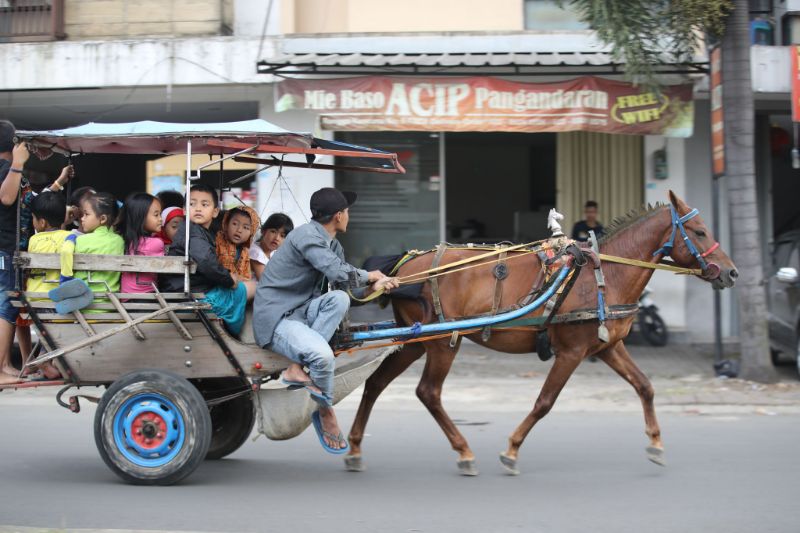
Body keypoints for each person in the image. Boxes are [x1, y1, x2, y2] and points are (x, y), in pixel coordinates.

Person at [253, 187, 399, 454]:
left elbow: (346, 290)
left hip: (303, 312)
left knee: (339, 301)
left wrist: (376, 287)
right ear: (339, 216)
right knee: (323, 358)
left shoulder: (333, 245)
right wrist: (371, 274)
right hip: (278, 317)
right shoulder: (306, 236)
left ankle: (297, 366)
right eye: (347, 211)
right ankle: (325, 411)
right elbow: (336, 271)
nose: (348, 216)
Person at [160, 184, 249, 336]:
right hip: (191, 295)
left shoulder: (198, 232)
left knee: (244, 285)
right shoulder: (192, 233)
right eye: (192, 204)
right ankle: (235, 335)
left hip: (191, 290)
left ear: (215, 212)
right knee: (247, 288)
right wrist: (229, 280)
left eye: (204, 204)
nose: (198, 208)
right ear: (185, 210)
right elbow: (206, 261)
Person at [0, 122, 38, 384]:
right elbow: (6, 197)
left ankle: (5, 364)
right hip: (5, 247)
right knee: (5, 305)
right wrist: (17, 163)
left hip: (12, 247)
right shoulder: (6, 168)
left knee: (9, 306)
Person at [24, 192, 72, 379]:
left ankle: (42, 359)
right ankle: (43, 359)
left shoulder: (33, 240)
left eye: (34, 219)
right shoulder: (69, 237)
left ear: (42, 223)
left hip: (35, 299)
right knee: (59, 329)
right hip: (56, 298)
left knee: (50, 330)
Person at [60, 192, 125, 303]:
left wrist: (70, 239)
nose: (82, 218)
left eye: (86, 214)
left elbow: (66, 252)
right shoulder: (120, 241)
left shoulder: (80, 241)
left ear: (102, 219)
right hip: (110, 302)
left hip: (84, 304)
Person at [118, 192, 164, 295]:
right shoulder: (156, 243)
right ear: (140, 217)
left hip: (125, 298)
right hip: (147, 297)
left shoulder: (123, 240)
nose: (160, 219)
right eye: (156, 215)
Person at [216, 206, 260, 283]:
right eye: (235, 224)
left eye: (246, 228)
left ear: (251, 233)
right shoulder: (217, 242)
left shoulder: (245, 251)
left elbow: (246, 276)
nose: (239, 230)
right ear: (226, 224)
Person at [250, 213, 294, 280]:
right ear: (263, 231)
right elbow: (265, 281)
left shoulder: (274, 253)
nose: (277, 238)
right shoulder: (256, 252)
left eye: (282, 236)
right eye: (273, 231)